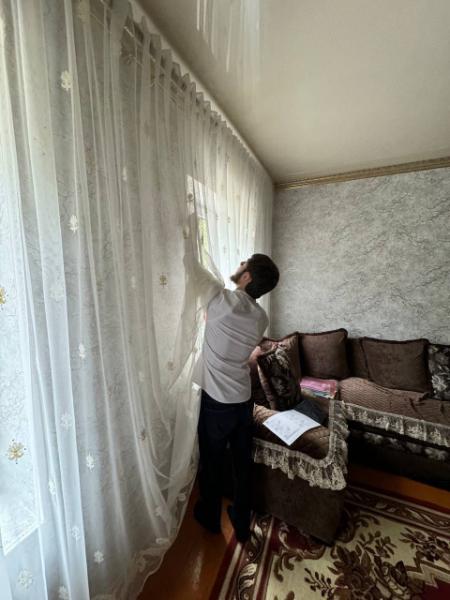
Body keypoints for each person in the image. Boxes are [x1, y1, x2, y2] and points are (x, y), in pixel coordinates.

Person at [192, 254, 280, 542]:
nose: (240, 262)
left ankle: (210, 516)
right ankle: (241, 522)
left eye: (245, 262)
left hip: (217, 402)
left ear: (247, 276)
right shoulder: (261, 317)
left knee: (212, 462)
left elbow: (192, 266)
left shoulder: (220, 302)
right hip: (243, 400)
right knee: (242, 465)